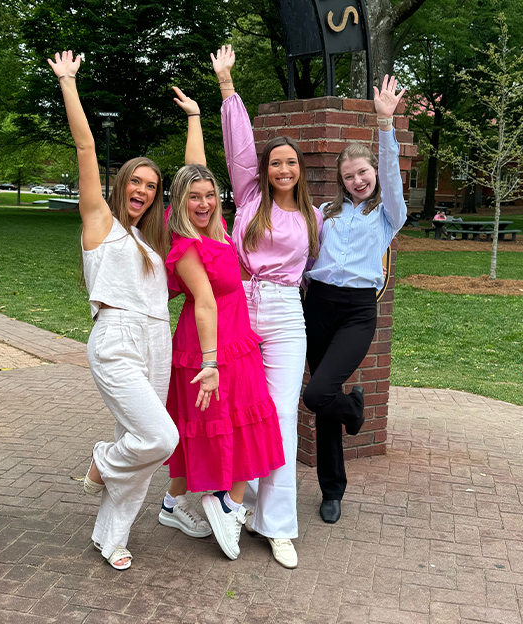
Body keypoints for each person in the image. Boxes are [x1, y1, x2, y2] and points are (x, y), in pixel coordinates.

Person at [47, 50, 180, 571]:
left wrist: (195, 118)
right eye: (136, 182)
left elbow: (199, 177)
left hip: (156, 338)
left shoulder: (151, 243)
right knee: (160, 437)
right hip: (116, 338)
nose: (143, 191)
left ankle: (111, 536)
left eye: (151, 186)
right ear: (120, 183)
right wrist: (68, 83)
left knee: (141, 444)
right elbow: (85, 145)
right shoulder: (99, 222)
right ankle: (103, 461)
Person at [212, 45, 323, 569]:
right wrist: (228, 89)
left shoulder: (311, 217)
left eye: (291, 163)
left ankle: (276, 525)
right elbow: (237, 150)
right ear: (266, 168)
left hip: (284, 314)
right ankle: (232, 500)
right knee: (236, 411)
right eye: (276, 161)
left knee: (279, 418)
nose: (283, 168)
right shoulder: (250, 197)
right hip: (240, 306)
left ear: (300, 171)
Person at [161, 159, 285, 561]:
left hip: (234, 338)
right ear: (179, 201)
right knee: (228, 422)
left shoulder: (215, 232)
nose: (204, 203)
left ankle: (172, 504)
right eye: (194, 197)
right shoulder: (186, 246)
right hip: (212, 344)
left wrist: (196, 116)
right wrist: (211, 363)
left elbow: (194, 164)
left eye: (210, 195)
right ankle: (228, 505)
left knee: (235, 420)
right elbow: (205, 305)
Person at [303, 75, 407, 525]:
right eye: (349, 176)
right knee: (327, 402)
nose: (358, 180)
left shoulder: (387, 215)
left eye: (362, 172)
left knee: (319, 392)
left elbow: (389, 172)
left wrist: (385, 124)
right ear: (341, 182)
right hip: (318, 305)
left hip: (358, 311)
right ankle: (333, 490)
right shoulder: (326, 214)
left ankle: (354, 409)